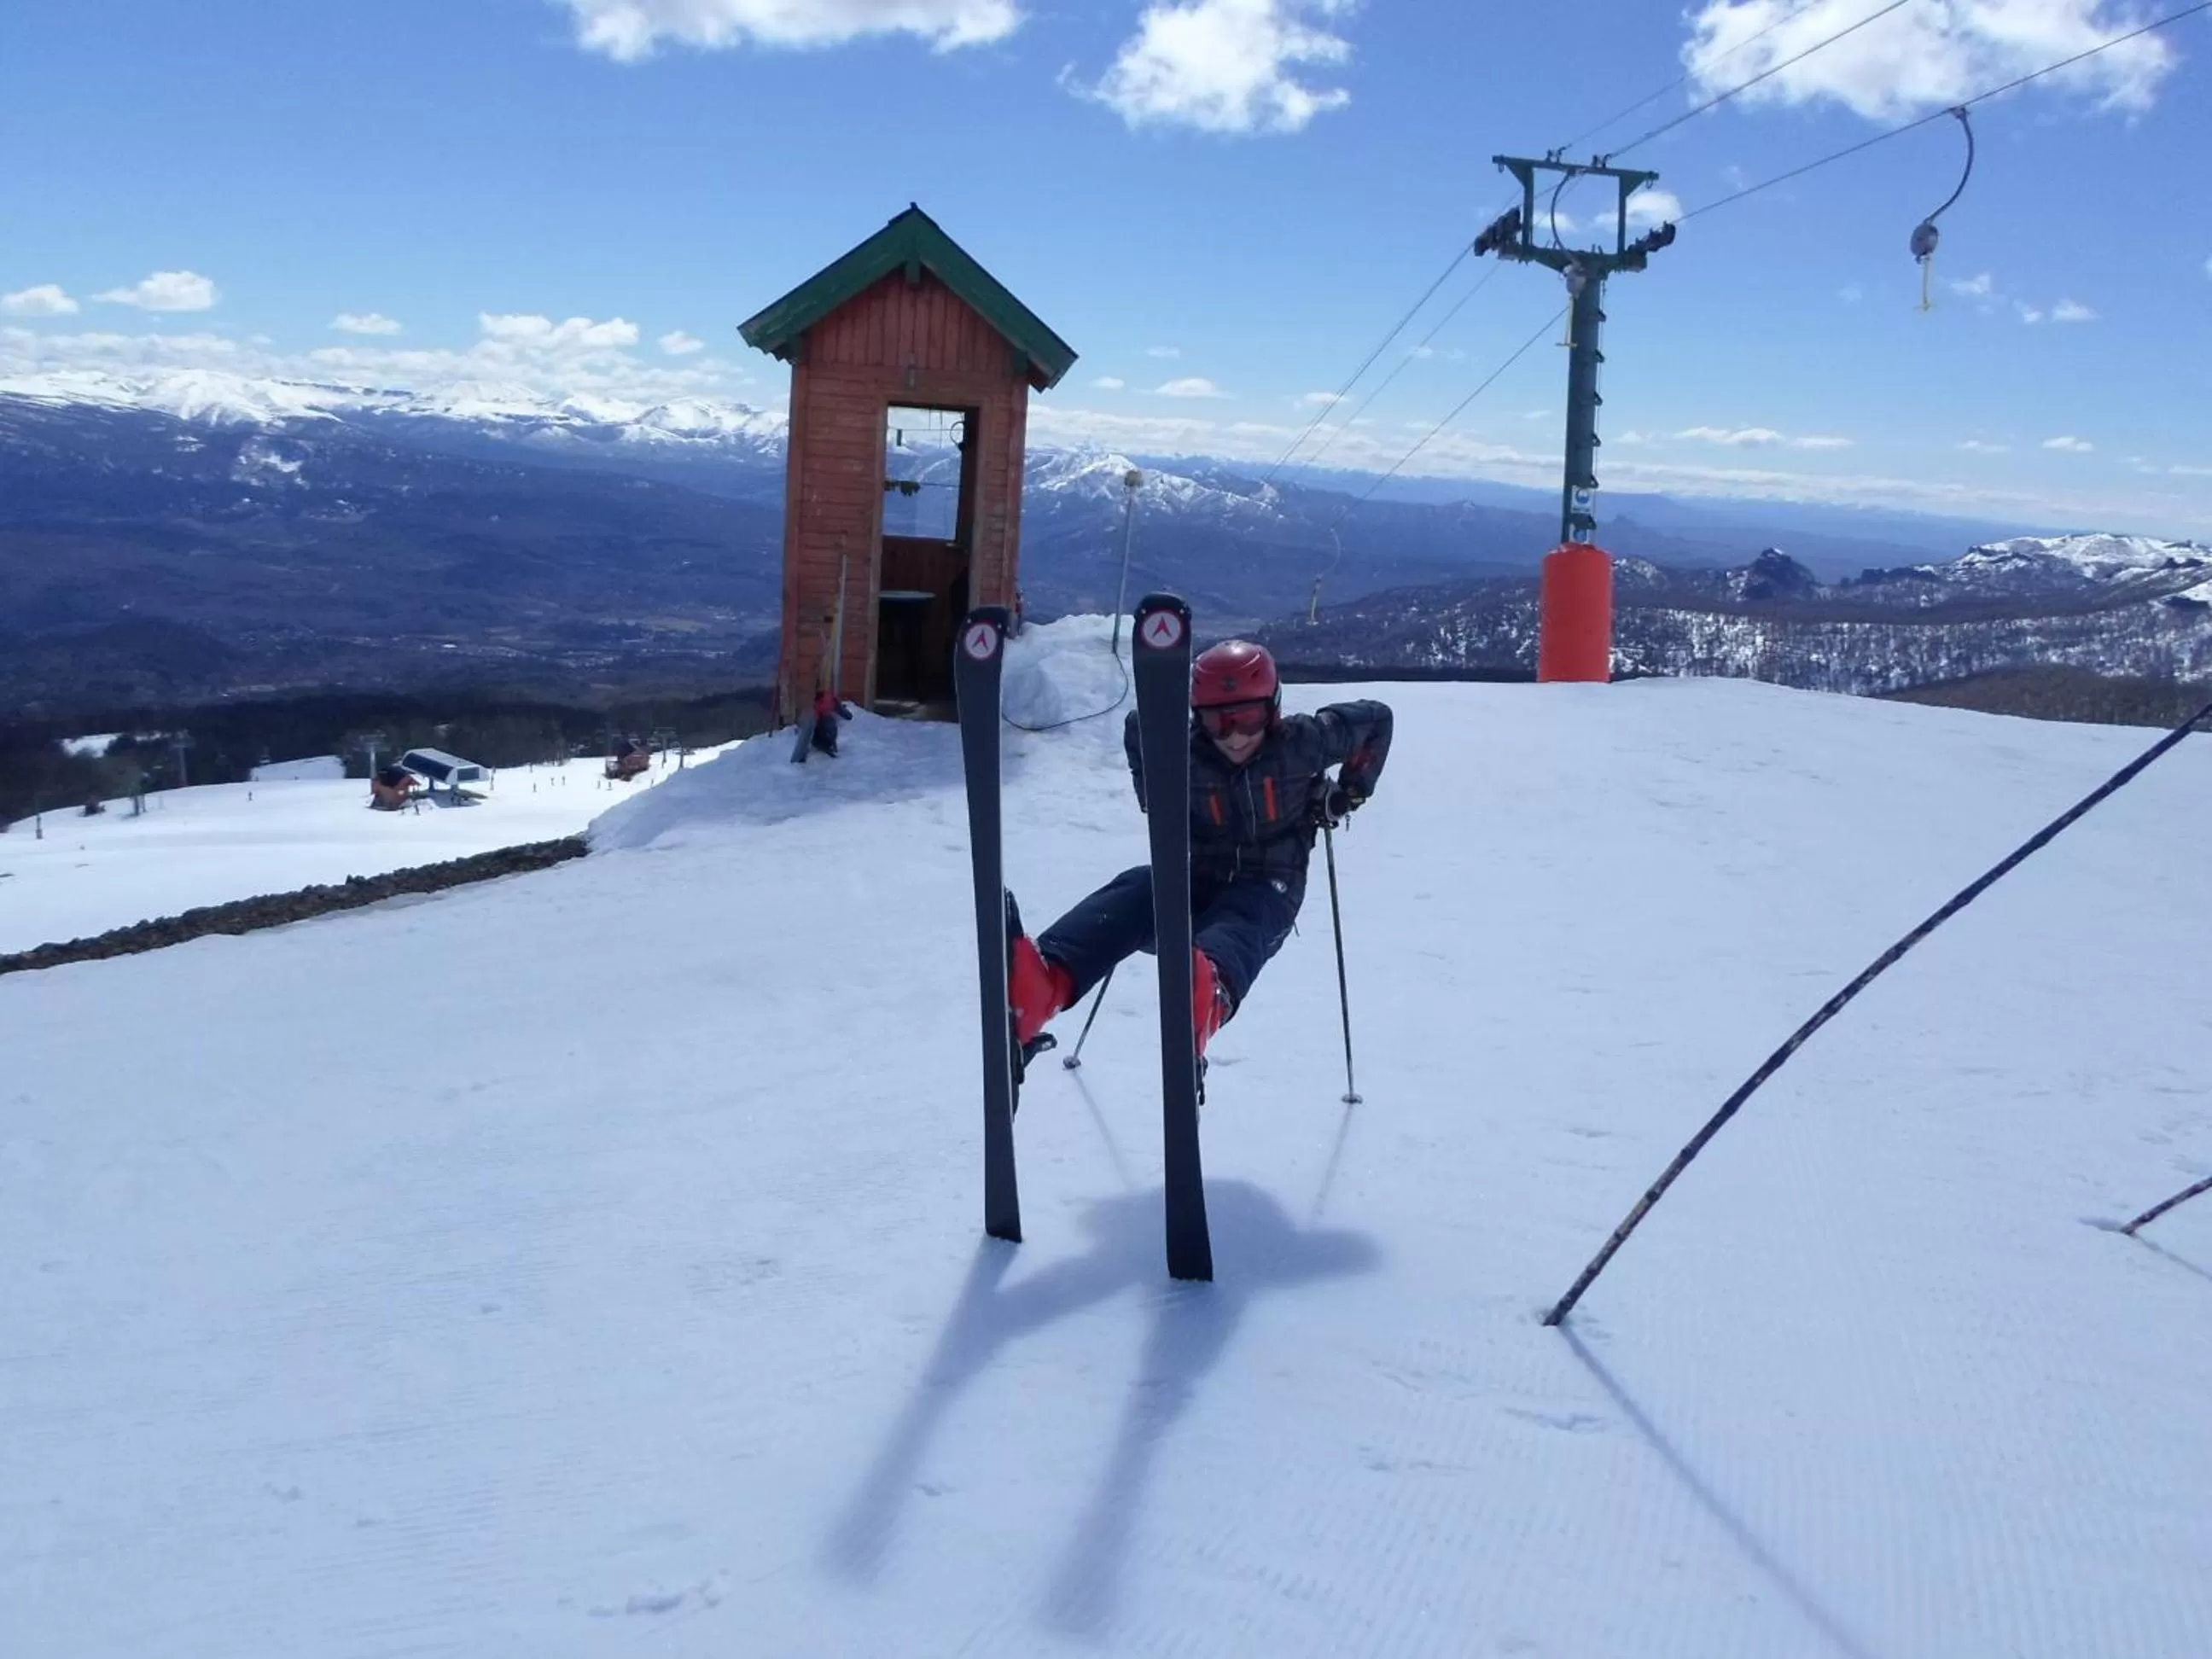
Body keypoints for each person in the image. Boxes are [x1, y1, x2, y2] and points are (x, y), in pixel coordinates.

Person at [1009, 639, 1391, 1062]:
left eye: (1247, 718)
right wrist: (1152, 793)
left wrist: (1350, 792)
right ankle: (1044, 985)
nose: (1234, 736)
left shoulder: (1304, 742)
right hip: (1197, 877)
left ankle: (1208, 994)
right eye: (1217, 721)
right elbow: (1140, 726)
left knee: (1240, 919)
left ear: (1272, 708)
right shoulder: (1188, 749)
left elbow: (1377, 720)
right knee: (1138, 888)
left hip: (1270, 884)